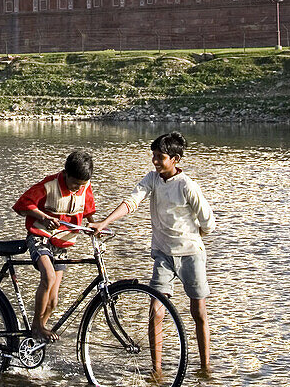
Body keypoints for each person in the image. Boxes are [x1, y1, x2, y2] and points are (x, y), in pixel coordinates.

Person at [91, 132, 215, 374]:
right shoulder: (152, 179)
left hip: (191, 254)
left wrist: (192, 237)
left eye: (160, 157)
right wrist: (105, 222)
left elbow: (208, 222)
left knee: (198, 311)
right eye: (153, 156)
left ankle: (205, 367)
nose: (155, 161)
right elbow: (132, 201)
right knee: (155, 311)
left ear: (175, 159)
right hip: (163, 255)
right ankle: (156, 371)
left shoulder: (187, 186)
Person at [13, 150, 97, 342]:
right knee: (48, 277)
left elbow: (89, 210)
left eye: (81, 185)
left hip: (61, 242)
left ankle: (40, 330)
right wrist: (43, 217)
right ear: (65, 173)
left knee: (54, 299)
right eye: (74, 183)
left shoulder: (85, 187)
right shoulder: (49, 185)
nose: (77, 188)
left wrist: (93, 224)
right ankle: (36, 326)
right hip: (40, 237)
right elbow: (22, 205)